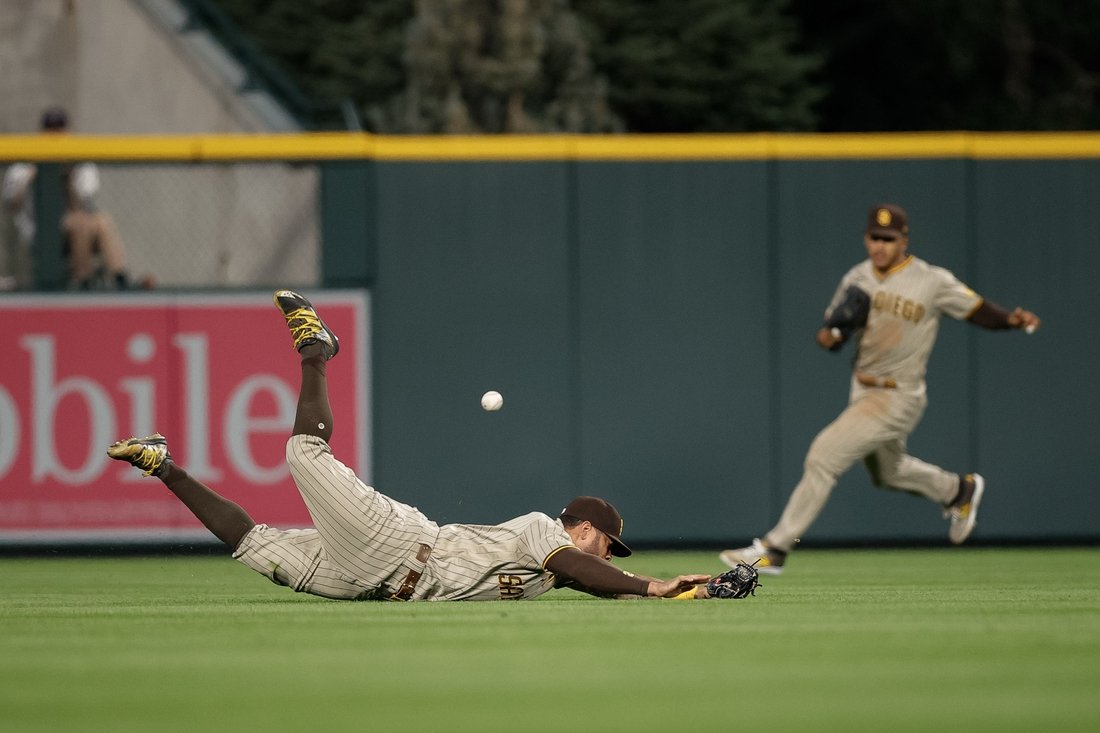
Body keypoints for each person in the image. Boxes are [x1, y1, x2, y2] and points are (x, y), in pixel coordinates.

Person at [109, 290, 718, 601]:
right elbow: (583, 570)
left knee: (251, 545)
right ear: (583, 528)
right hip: (397, 542)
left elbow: (588, 577)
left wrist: (696, 585)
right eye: (608, 543)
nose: (610, 554)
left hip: (367, 582)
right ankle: (317, 349)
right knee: (303, 455)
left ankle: (161, 464)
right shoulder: (543, 533)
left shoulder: (560, 573)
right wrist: (650, 587)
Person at [720, 203, 1041, 575]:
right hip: (863, 388)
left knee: (824, 455)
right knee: (888, 472)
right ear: (865, 238)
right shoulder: (858, 277)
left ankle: (774, 549)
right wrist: (832, 333)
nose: (880, 246)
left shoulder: (931, 280)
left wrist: (1010, 321)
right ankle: (956, 491)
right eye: (875, 238)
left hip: (898, 394)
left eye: (889, 239)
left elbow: (977, 309)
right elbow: (830, 334)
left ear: (904, 240)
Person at [0, 106, 132, 290]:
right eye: (50, 129)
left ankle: (120, 277)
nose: (55, 135)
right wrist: (36, 173)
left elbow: (84, 206)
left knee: (101, 221)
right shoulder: (24, 163)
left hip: (76, 229)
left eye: (59, 129)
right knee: (81, 223)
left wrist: (67, 177)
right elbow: (11, 203)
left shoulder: (79, 162)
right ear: (41, 132)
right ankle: (83, 281)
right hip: (38, 233)